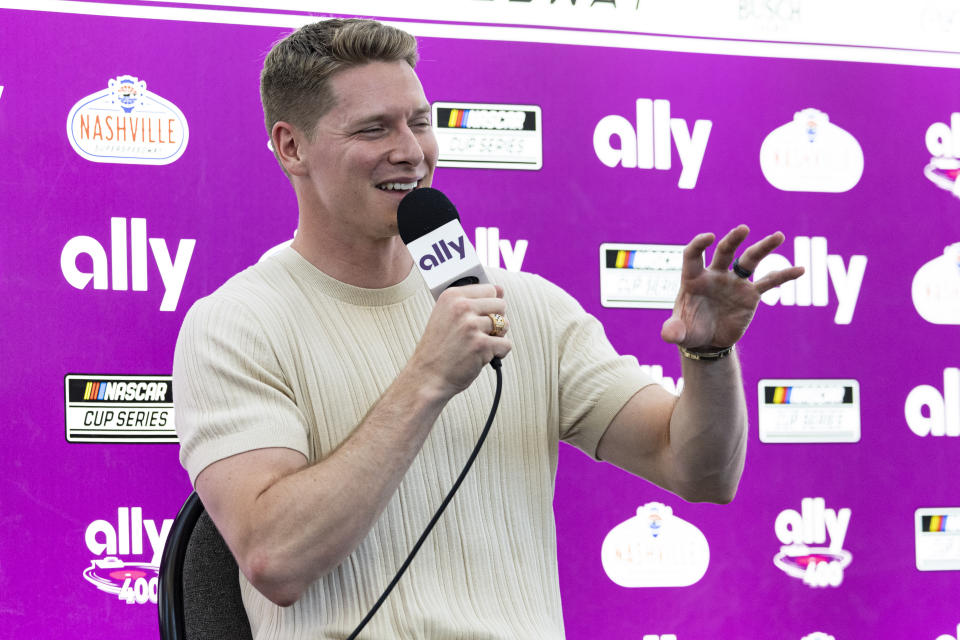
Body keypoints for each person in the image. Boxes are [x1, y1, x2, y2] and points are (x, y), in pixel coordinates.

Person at [173, 18, 803, 639]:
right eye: (374, 128)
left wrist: (712, 357)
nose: (411, 151)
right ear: (291, 147)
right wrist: (427, 379)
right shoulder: (236, 325)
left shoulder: (523, 304)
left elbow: (699, 473)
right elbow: (275, 561)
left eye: (419, 121)